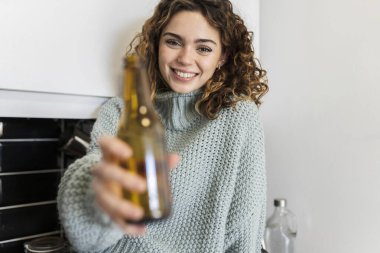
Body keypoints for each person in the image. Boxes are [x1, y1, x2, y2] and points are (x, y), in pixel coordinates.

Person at [57, 0, 268, 252]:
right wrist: (94, 190)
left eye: (203, 48)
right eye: (173, 42)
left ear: (222, 56)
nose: (185, 59)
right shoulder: (120, 110)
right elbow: (89, 231)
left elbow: (245, 231)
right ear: (156, 45)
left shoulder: (238, 116)